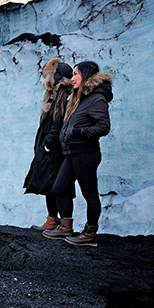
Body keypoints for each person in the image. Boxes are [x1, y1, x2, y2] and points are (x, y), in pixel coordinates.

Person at [43, 60, 113, 246]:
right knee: (58, 188)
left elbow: (103, 127)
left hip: (85, 153)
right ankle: (65, 227)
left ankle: (90, 233)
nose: (72, 78)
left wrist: (76, 133)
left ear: (86, 75)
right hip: (71, 152)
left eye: (75, 74)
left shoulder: (97, 98)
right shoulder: (80, 97)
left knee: (90, 194)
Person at [24, 58, 74, 231]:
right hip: (49, 149)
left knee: (55, 185)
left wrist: (48, 142)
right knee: (48, 184)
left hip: (54, 150)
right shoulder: (55, 94)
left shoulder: (63, 94)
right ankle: (52, 220)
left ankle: (61, 223)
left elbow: (59, 121)